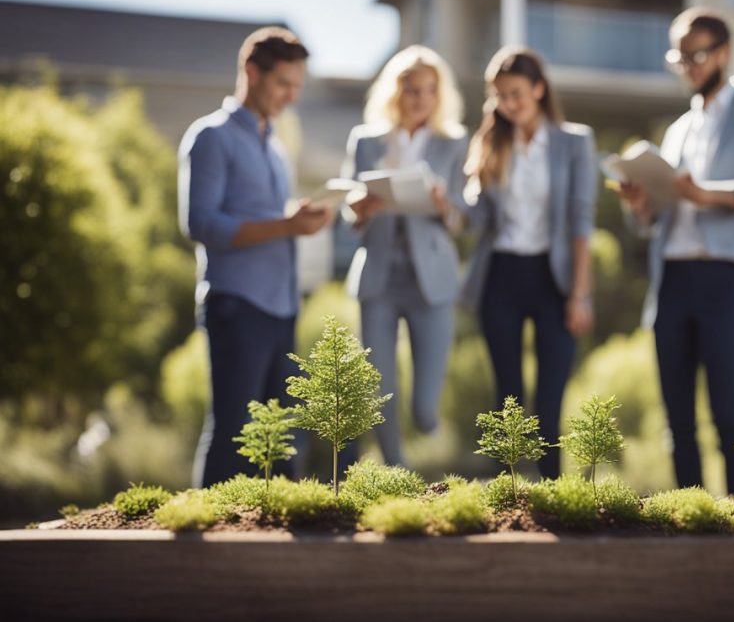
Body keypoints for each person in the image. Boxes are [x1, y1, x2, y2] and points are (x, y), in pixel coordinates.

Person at [617, 7, 734, 496]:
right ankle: (688, 517)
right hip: (670, 276)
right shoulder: (676, 130)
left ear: (724, 53)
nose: (688, 64)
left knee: (728, 413)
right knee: (677, 416)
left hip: (722, 275)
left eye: (696, 54)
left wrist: (705, 194)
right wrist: (641, 204)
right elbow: (652, 221)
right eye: (679, 56)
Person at [178, 26, 333, 488]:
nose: (291, 96)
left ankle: (281, 547)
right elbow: (201, 224)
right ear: (252, 71)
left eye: (297, 87)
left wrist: (297, 217)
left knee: (282, 438)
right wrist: (287, 225)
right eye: (283, 83)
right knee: (232, 433)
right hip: (235, 302)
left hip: (280, 305)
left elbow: (260, 216)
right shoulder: (211, 137)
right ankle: (205, 543)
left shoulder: (276, 149)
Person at [462, 46, 597, 480]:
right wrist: (449, 206)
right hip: (500, 275)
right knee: (508, 396)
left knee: (550, 396)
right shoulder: (492, 142)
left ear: (539, 89)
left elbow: (581, 221)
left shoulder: (574, 142)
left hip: (552, 278)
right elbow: (477, 219)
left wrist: (580, 294)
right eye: (500, 96)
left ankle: (554, 491)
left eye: (516, 93)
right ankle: (510, 490)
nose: (508, 104)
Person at [343, 45, 467, 467]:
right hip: (378, 274)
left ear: (439, 94)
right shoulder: (365, 140)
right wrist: (361, 208)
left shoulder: (453, 143)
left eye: (430, 90)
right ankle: (396, 469)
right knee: (378, 386)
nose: (421, 98)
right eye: (412, 89)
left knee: (425, 407)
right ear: (396, 92)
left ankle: (427, 424)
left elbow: (462, 219)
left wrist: (442, 203)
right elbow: (349, 213)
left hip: (430, 277)